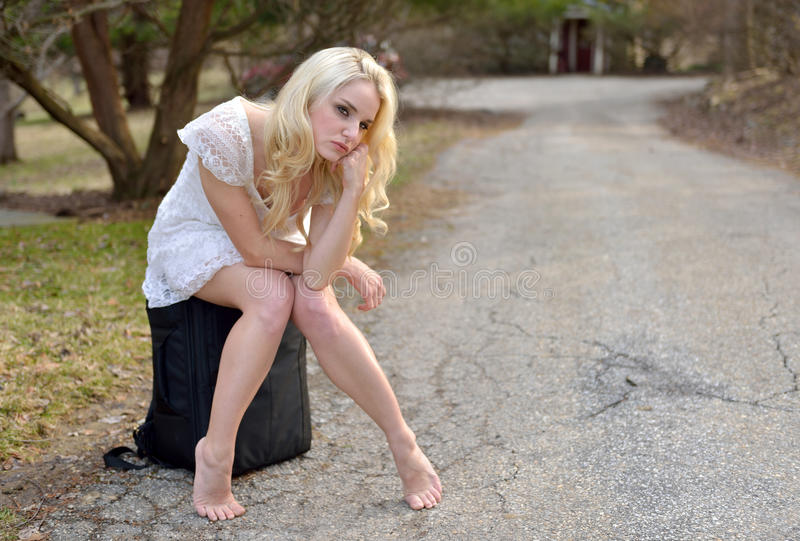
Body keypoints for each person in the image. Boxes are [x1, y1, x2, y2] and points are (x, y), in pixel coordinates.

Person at [142, 47, 442, 521]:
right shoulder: (227, 131)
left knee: (318, 306)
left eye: (364, 124)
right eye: (343, 111)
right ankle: (215, 455)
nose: (351, 133)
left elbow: (317, 273)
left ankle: (404, 444)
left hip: (266, 244)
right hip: (194, 239)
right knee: (273, 295)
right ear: (307, 96)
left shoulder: (330, 160)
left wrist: (350, 192)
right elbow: (256, 252)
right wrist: (343, 262)